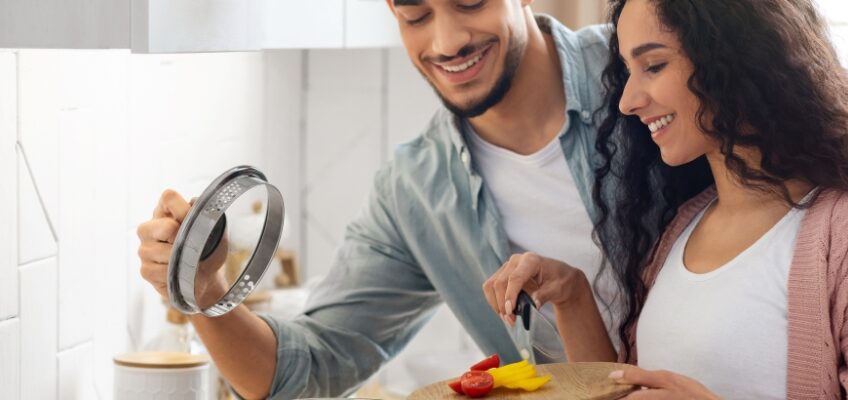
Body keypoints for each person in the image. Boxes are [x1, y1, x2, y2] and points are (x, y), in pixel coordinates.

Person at [482, 0, 848, 398]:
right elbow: (626, 389)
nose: (628, 100)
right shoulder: (683, 228)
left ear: (733, 59)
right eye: (628, 71)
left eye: (653, 65)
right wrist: (572, 296)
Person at [136, 1, 625, 398]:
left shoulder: (639, 68)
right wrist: (205, 292)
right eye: (416, 14)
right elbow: (305, 371)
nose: (447, 41)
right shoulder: (416, 190)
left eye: (470, 2)